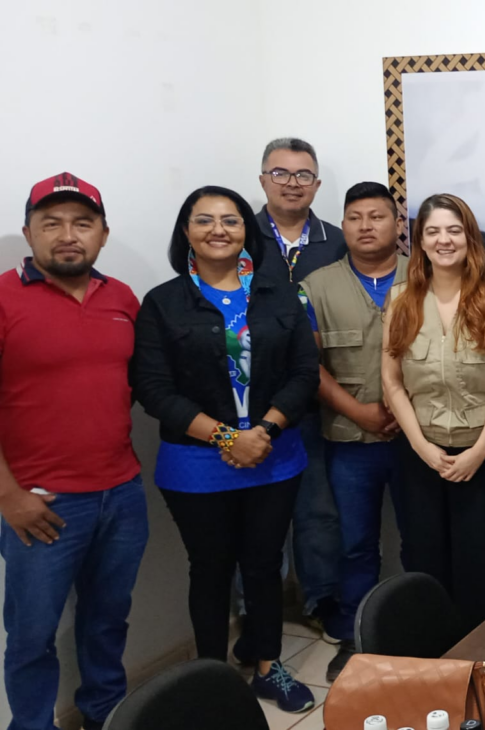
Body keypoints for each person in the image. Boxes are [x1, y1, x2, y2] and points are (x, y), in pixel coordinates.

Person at [133, 186, 320, 713]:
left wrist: (264, 431)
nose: (219, 229)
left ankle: (267, 665)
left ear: (246, 231)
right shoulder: (163, 303)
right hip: (197, 465)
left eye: (231, 220)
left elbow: (305, 373)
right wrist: (226, 437)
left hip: (273, 455)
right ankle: (211, 679)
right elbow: (153, 389)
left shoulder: (280, 295)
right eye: (205, 220)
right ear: (186, 232)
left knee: (263, 565)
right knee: (211, 568)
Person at [0, 173, 148, 730]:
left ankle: (104, 715)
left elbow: (139, 383)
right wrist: (8, 495)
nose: (68, 235)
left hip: (122, 493)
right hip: (41, 502)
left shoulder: (122, 298)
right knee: (32, 634)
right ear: (28, 233)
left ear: (102, 234)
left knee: (108, 620)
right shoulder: (3, 297)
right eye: (52, 223)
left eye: (82, 224)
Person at [382, 193, 485, 631]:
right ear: (420, 241)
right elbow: (392, 382)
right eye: (433, 231)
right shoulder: (400, 301)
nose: (444, 240)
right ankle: (437, 656)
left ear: (469, 238)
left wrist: (479, 451)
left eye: (454, 230)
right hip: (422, 457)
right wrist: (422, 447)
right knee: (426, 561)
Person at [299, 182, 410, 681]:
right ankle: (356, 636)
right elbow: (309, 364)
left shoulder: (426, 274)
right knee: (355, 543)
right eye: (355, 217)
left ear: (398, 224)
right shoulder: (316, 287)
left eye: (377, 216)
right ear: (342, 224)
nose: (366, 226)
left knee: (421, 538)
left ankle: (420, 626)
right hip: (349, 440)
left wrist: (404, 413)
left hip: (418, 440)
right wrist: (359, 412)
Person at [256, 137, 347, 640]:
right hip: (252, 405)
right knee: (256, 518)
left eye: (303, 175)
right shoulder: (239, 235)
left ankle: (320, 599)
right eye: (281, 173)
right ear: (263, 179)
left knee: (318, 511)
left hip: (317, 400)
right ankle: (257, 611)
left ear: (316, 183)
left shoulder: (337, 241)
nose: (292, 183)